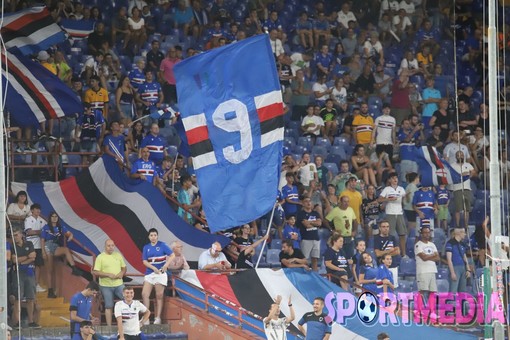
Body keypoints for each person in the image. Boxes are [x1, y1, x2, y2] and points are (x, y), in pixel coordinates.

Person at [41, 212, 81, 298]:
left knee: (66, 250)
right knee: (50, 270)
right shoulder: (46, 227)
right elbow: (42, 240)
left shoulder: (60, 227)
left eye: (56, 216)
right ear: (50, 218)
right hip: (47, 246)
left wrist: (70, 236)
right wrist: (43, 252)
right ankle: (50, 291)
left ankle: (74, 268)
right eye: (53, 216)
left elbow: (69, 233)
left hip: (55, 246)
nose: (54, 218)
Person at [141, 228, 174, 325]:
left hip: (160, 273)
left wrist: (166, 265)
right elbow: (144, 261)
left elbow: (172, 255)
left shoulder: (162, 245)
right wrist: (153, 268)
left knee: (159, 295)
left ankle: (158, 317)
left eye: (155, 235)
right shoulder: (146, 247)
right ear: (148, 237)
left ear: (157, 236)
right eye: (151, 235)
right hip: (150, 273)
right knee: (144, 294)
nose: (153, 237)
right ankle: (146, 317)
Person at [91, 239, 127, 326]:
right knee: (109, 305)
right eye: (109, 246)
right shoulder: (100, 257)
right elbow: (95, 272)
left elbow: (124, 268)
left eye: (112, 245)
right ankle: (109, 327)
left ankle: (127, 324)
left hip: (119, 284)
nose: (111, 247)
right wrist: (108, 275)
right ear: (105, 246)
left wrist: (121, 273)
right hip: (105, 285)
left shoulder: (118, 255)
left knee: (127, 300)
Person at [11, 229, 40, 328]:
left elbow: (33, 257)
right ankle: (17, 322)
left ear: (21, 235)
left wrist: (22, 261)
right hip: (18, 274)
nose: (14, 237)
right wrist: (27, 257)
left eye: (16, 235)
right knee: (18, 298)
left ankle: (31, 321)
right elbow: (15, 260)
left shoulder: (29, 243)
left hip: (30, 272)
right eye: (13, 235)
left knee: (30, 298)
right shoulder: (12, 246)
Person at [378, 172, 407, 256]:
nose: (395, 179)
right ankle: (390, 253)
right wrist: (389, 199)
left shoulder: (401, 189)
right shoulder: (387, 189)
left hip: (399, 213)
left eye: (396, 178)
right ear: (390, 180)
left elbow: (405, 199)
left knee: (402, 234)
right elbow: (379, 200)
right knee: (390, 234)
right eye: (393, 178)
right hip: (390, 213)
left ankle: (403, 254)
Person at [24, 203, 46, 293]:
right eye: (36, 209)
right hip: (30, 245)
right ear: (32, 210)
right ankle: (28, 285)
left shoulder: (42, 221)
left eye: (39, 209)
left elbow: (46, 230)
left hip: (39, 246)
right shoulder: (28, 219)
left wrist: (41, 232)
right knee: (30, 265)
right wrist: (40, 232)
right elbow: (29, 232)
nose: (38, 211)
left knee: (38, 265)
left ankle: (36, 285)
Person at [298, 196, 322, 271]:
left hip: (316, 239)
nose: (308, 203)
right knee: (304, 259)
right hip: (306, 239)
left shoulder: (315, 213)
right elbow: (306, 225)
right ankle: (304, 275)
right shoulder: (301, 214)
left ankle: (315, 275)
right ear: (303, 204)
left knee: (315, 259)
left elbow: (319, 223)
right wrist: (314, 223)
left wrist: (310, 222)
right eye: (306, 201)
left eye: (309, 201)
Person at [414, 226, 439, 300]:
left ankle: (431, 310)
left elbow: (437, 258)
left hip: (432, 270)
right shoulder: (418, 245)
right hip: (423, 271)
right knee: (421, 291)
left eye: (428, 232)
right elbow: (423, 258)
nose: (427, 234)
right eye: (425, 233)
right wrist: (433, 255)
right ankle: (419, 310)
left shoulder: (432, 244)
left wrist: (429, 256)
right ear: (421, 234)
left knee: (432, 292)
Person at [446, 228, 471, 293]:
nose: (465, 234)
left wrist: (468, 269)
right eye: (463, 233)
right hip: (455, 267)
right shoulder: (450, 243)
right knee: (453, 288)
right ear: (459, 233)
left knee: (463, 290)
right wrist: (452, 272)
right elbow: (449, 259)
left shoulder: (462, 244)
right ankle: (452, 302)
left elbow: (464, 257)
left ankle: (462, 302)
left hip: (463, 267)